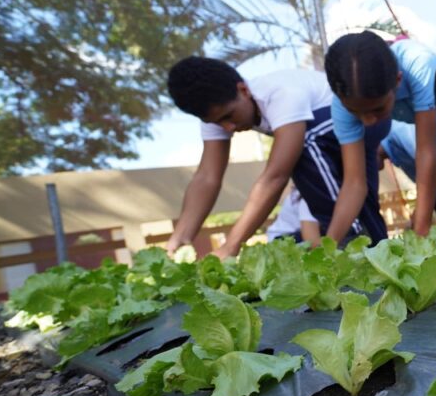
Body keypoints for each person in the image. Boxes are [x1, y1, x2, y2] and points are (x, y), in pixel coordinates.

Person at [163, 56, 385, 258]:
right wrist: (179, 238)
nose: (228, 128)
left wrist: (231, 245)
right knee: (358, 197)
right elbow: (207, 178)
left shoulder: (280, 94)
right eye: (217, 123)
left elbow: (276, 177)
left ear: (243, 90)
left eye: (229, 116)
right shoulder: (218, 114)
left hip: (358, 118)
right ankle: (378, 252)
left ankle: (352, 244)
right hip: (331, 138)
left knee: (304, 147)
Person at [325, 30, 436, 237]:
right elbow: (354, 183)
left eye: (377, 109)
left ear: (398, 80)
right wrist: (329, 245)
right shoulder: (342, 105)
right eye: (356, 113)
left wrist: (419, 234)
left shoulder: (418, 64)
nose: (368, 121)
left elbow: (425, 152)